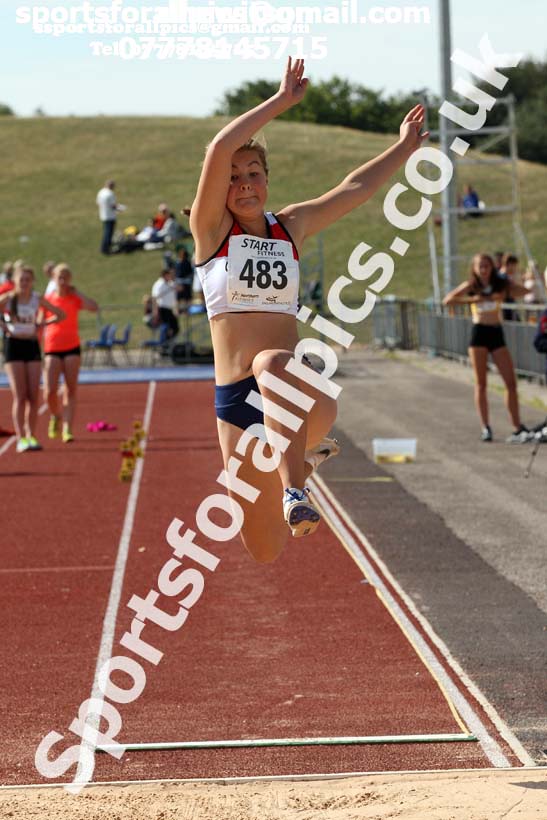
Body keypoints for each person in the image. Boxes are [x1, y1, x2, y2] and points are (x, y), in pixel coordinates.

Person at [190, 57, 428, 562]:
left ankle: (297, 487)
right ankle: (303, 462)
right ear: (219, 188)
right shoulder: (211, 235)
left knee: (272, 361)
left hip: (297, 390)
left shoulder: (290, 227)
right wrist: (281, 102)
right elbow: (217, 148)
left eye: (254, 172)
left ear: (268, 180)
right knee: (264, 551)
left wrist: (403, 149)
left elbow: (353, 190)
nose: (245, 182)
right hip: (237, 403)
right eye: (234, 177)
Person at [443, 253, 529, 444]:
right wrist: (473, 300)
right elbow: (448, 300)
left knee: (511, 382)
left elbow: (523, 291)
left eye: (487, 266)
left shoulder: (500, 284)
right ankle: (485, 426)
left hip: (496, 332)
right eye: (480, 267)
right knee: (481, 383)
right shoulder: (471, 286)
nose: (484, 270)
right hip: (479, 333)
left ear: (492, 268)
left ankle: (517, 426)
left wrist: (505, 292)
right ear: (474, 269)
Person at [0, 264, 65, 452]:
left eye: (28, 280)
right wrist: (3, 326)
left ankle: (32, 435)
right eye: (22, 280)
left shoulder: (37, 299)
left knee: (33, 395)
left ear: (33, 282)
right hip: (13, 345)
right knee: (20, 396)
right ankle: (21, 438)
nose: (25, 283)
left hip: (31, 345)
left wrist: (43, 323)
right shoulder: (9, 298)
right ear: (16, 282)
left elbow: (60, 314)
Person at [42, 264, 99, 443]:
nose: (63, 281)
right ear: (53, 279)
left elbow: (93, 307)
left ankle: (67, 427)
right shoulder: (48, 299)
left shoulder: (74, 298)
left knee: (70, 388)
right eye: (60, 277)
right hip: (52, 347)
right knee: (50, 391)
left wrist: (78, 292)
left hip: (72, 346)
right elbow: (38, 323)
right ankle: (55, 416)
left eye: (66, 277)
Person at [96, 180, 125, 255]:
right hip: (110, 216)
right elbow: (113, 206)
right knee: (108, 233)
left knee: (106, 232)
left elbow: (98, 203)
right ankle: (106, 249)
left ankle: (104, 247)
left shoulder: (101, 192)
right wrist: (121, 208)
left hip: (103, 215)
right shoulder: (110, 194)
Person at [151, 268, 179, 339]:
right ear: (165, 275)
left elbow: (177, 289)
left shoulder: (169, 283)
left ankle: (169, 342)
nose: (171, 276)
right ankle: (164, 344)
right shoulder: (159, 284)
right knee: (165, 327)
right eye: (169, 275)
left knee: (175, 327)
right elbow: (155, 298)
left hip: (169, 309)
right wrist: (155, 311)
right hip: (162, 309)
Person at [499, 253, 521, 321]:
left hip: (510, 312)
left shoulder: (506, 278)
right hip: (506, 314)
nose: (515, 269)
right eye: (515, 266)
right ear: (509, 265)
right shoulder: (501, 278)